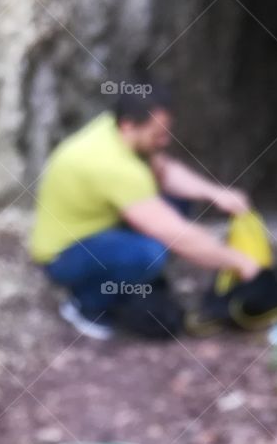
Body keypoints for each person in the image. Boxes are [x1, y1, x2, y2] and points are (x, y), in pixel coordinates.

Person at [30, 85, 261, 339]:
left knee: (176, 204)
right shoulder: (113, 166)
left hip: (98, 227)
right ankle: (87, 305)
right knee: (150, 254)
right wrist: (240, 262)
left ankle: (121, 279)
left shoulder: (114, 129)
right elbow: (175, 235)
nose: (165, 141)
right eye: (157, 135)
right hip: (63, 255)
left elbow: (164, 171)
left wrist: (215, 193)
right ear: (129, 125)